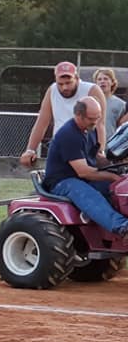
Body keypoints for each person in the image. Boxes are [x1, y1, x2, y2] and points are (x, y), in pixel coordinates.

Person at [43, 96, 128, 239]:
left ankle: (108, 236)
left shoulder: (89, 129)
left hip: (81, 177)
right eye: (91, 118)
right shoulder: (69, 134)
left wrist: (116, 166)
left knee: (118, 187)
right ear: (78, 115)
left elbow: (96, 158)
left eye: (98, 118)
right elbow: (84, 172)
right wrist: (113, 176)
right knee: (88, 195)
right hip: (62, 181)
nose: (95, 122)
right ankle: (122, 227)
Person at [21, 61, 105, 166]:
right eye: (60, 84)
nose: (64, 87)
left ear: (77, 79)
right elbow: (42, 122)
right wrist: (30, 150)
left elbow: (99, 123)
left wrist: (100, 150)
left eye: (68, 82)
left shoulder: (92, 90)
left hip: (84, 146)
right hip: (60, 146)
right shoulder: (52, 90)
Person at [93, 68, 126, 140]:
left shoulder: (121, 104)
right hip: (91, 144)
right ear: (96, 83)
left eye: (106, 79)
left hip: (110, 144)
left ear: (112, 82)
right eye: (99, 79)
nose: (102, 81)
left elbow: (121, 127)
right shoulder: (90, 102)